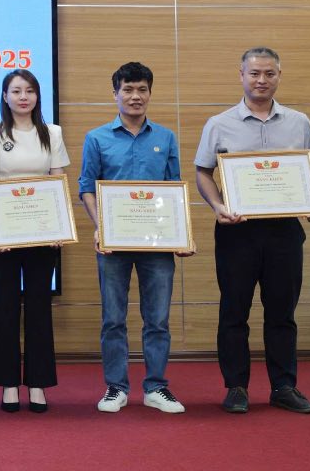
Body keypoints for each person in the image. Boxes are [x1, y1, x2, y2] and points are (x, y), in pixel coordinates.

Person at [194, 47, 310, 415]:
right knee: (233, 311)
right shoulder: (219, 124)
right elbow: (203, 172)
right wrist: (218, 205)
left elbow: (307, 172)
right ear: (241, 75)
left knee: (282, 312)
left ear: (279, 75)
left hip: (285, 233)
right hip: (238, 233)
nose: (261, 80)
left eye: (269, 73)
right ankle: (236, 386)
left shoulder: (299, 122)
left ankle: (284, 386)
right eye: (254, 74)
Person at [78, 62, 189, 414]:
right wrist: (101, 226)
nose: (135, 96)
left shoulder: (165, 137)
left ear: (150, 93)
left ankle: (156, 387)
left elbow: (175, 190)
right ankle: (116, 387)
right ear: (115, 94)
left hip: (157, 244)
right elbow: (86, 188)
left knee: (157, 318)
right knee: (113, 318)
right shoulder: (96, 138)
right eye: (128, 89)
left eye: (142, 89)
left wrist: (181, 234)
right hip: (113, 245)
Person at [0, 68, 70, 413]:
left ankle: (38, 383)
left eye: (29, 91)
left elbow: (57, 180)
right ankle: (7, 384)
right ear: (5, 96)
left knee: (38, 307)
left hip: (42, 234)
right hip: (3, 237)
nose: (22, 97)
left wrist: (60, 228)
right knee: (5, 307)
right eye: (15, 91)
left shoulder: (52, 133)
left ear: (37, 96)